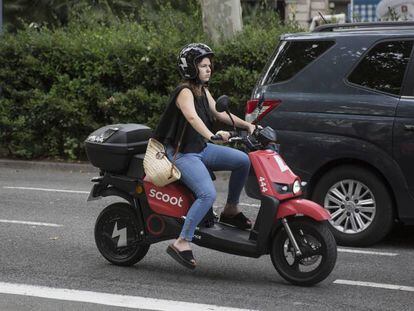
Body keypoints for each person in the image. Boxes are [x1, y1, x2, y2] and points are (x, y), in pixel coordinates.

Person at [154, 43, 256, 269]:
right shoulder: (184, 92)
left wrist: (247, 126)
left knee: (242, 161)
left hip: (199, 149)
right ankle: (182, 241)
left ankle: (231, 209)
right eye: (203, 65)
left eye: (209, 65)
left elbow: (218, 113)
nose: (208, 69)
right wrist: (212, 136)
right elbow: (192, 118)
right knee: (207, 194)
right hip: (182, 154)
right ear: (191, 68)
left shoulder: (203, 90)